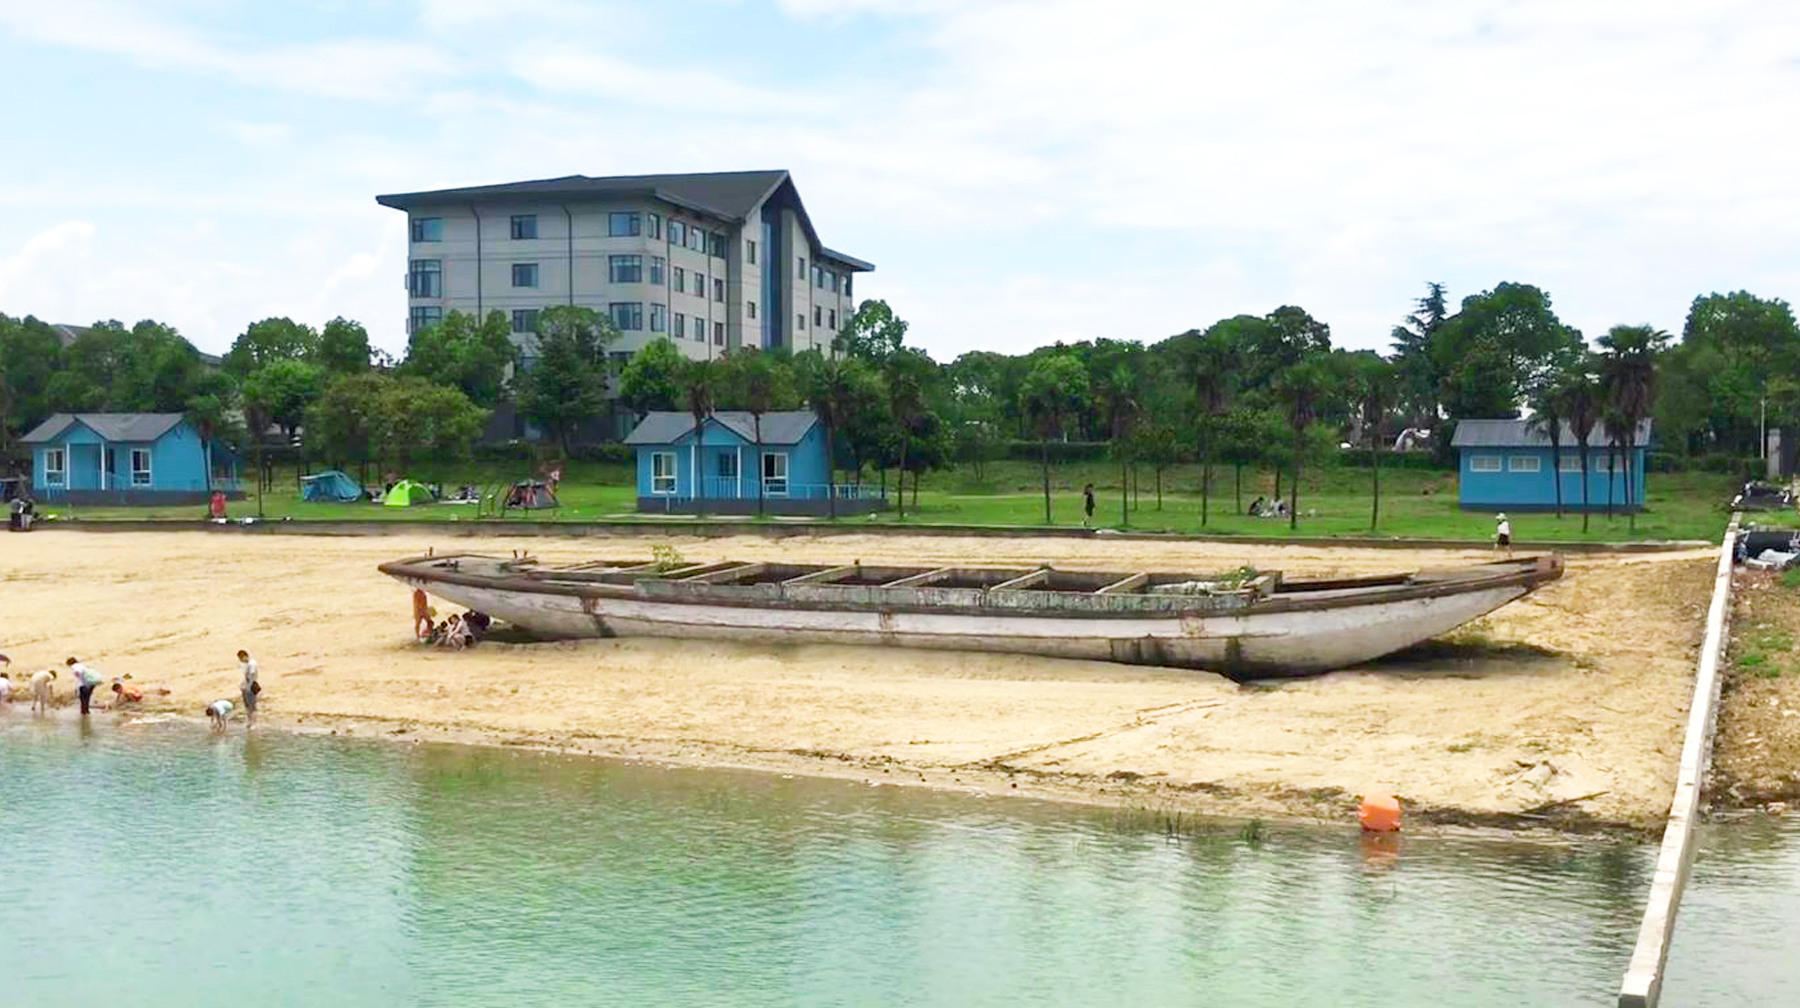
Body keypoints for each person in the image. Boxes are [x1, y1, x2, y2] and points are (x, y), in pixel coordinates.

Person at [238, 649, 260, 727]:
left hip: (251, 687)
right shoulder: (248, 664)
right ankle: (249, 722)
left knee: (252, 706)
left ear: (244, 656)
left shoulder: (252, 664)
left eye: (241, 659)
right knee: (247, 706)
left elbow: (252, 675)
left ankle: (253, 723)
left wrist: (249, 686)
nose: (241, 661)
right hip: (246, 686)